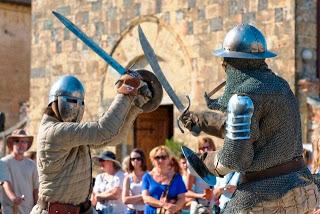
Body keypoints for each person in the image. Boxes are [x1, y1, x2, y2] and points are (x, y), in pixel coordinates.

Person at [181, 24, 319, 213]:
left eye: (225, 61)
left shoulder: (244, 96)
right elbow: (255, 132)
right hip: (303, 191)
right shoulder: (281, 87)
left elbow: (236, 158)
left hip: (264, 198)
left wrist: (206, 161)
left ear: (231, 62)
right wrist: (203, 120)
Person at [31, 71, 161, 214]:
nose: (76, 107)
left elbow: (114, 137)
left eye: (80, 103)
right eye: (72, 102)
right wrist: (126, 92)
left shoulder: (71, 135)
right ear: (55, 102)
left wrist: (137, 104)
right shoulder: (55, 132)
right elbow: (103, 130)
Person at [1, 129, 39, 214]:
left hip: (29, 211)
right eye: (17, 141)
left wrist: (37, 208)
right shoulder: (3, 162)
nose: (21, 144)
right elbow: (5, 183)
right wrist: (13, 198)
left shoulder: (32, 165)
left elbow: (36, 189)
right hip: (10, 210)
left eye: (24, 141)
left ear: (27, 144)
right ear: (12, 143)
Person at [142, 145, 187, 214]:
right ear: (152, 160)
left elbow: (182, 198)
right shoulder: (147, 177)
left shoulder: (177, 177)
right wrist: (163, 204)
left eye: (163, 157)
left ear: (169, 159)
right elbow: (145, 198)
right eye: (157, 157)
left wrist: (173, 209)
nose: (160, 160)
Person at [186, 137, 216, 214]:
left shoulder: (219, 166)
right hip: (198, 205)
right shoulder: (194, 167)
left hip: (216, 205)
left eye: (208, 147)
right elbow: (187, 191)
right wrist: (201, 195)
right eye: (202, 148)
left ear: (213, 148)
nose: (205, 150)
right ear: (199, 150)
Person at [122, 149, 147, 214]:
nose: (135, 160)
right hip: (131, 211)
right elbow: (125, 200)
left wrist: (132, 199)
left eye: (138, 158)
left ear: (142, 159)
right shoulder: (128, 178)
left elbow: (153, 197)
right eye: (133, 159)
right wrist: (143, 196)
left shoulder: (150, 175)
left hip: (146, 211)